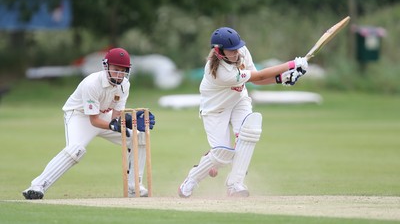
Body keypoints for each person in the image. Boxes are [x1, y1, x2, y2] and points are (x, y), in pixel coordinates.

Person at [178, 27, 308, 198]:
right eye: (231, 50)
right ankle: (192, 179)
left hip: (239, 100)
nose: (236, 52)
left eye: (237, 47)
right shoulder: (220, 72)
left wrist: (282, 78)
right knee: (221, 156)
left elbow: (256, 78)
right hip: (215, 109)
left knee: (250, 131)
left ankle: (235, 184)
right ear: (219, 51)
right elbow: (260, 76)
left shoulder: (241, 51)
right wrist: (290, 65)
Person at [22, 47, 155, 199]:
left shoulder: (124, 85)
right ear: (106, 66)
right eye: (116, 69)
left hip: (103, 116)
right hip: (80, 116)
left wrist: (128, 121)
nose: (119, 74)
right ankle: (37, 186)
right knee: (75, 150)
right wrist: (116, 125)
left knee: (139, 137)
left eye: (123, 70)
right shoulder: (92, 83)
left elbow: (115, 118)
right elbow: (94, 121)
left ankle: (134, 187)